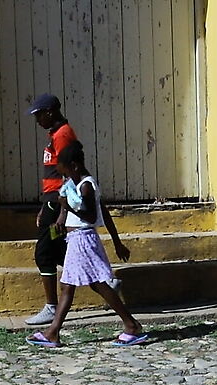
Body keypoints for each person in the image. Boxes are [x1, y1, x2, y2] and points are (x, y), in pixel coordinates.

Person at [30, 144, 150, 348]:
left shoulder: (87, 185)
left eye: (64, 170)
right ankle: (53, 332)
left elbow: (93, 216)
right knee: (76, 285)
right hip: (75, 240)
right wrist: (61, 217)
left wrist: (117, 242)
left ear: (74, 166)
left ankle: (130, 325)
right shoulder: (72, 183)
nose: (62, 174)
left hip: (84, 240)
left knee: (90, 284)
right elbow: (65, 206)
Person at [25, 94, 83, 326]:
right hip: (50, 201)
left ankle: (51, 306)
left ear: (50, 111)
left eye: (39, 115)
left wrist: (60, 209)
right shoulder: (55, 135)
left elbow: (69, 171)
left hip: (56, 202)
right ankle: (106, 281)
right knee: (60, 252)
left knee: (43, 254)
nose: (38, 120)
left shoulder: (63, 135)